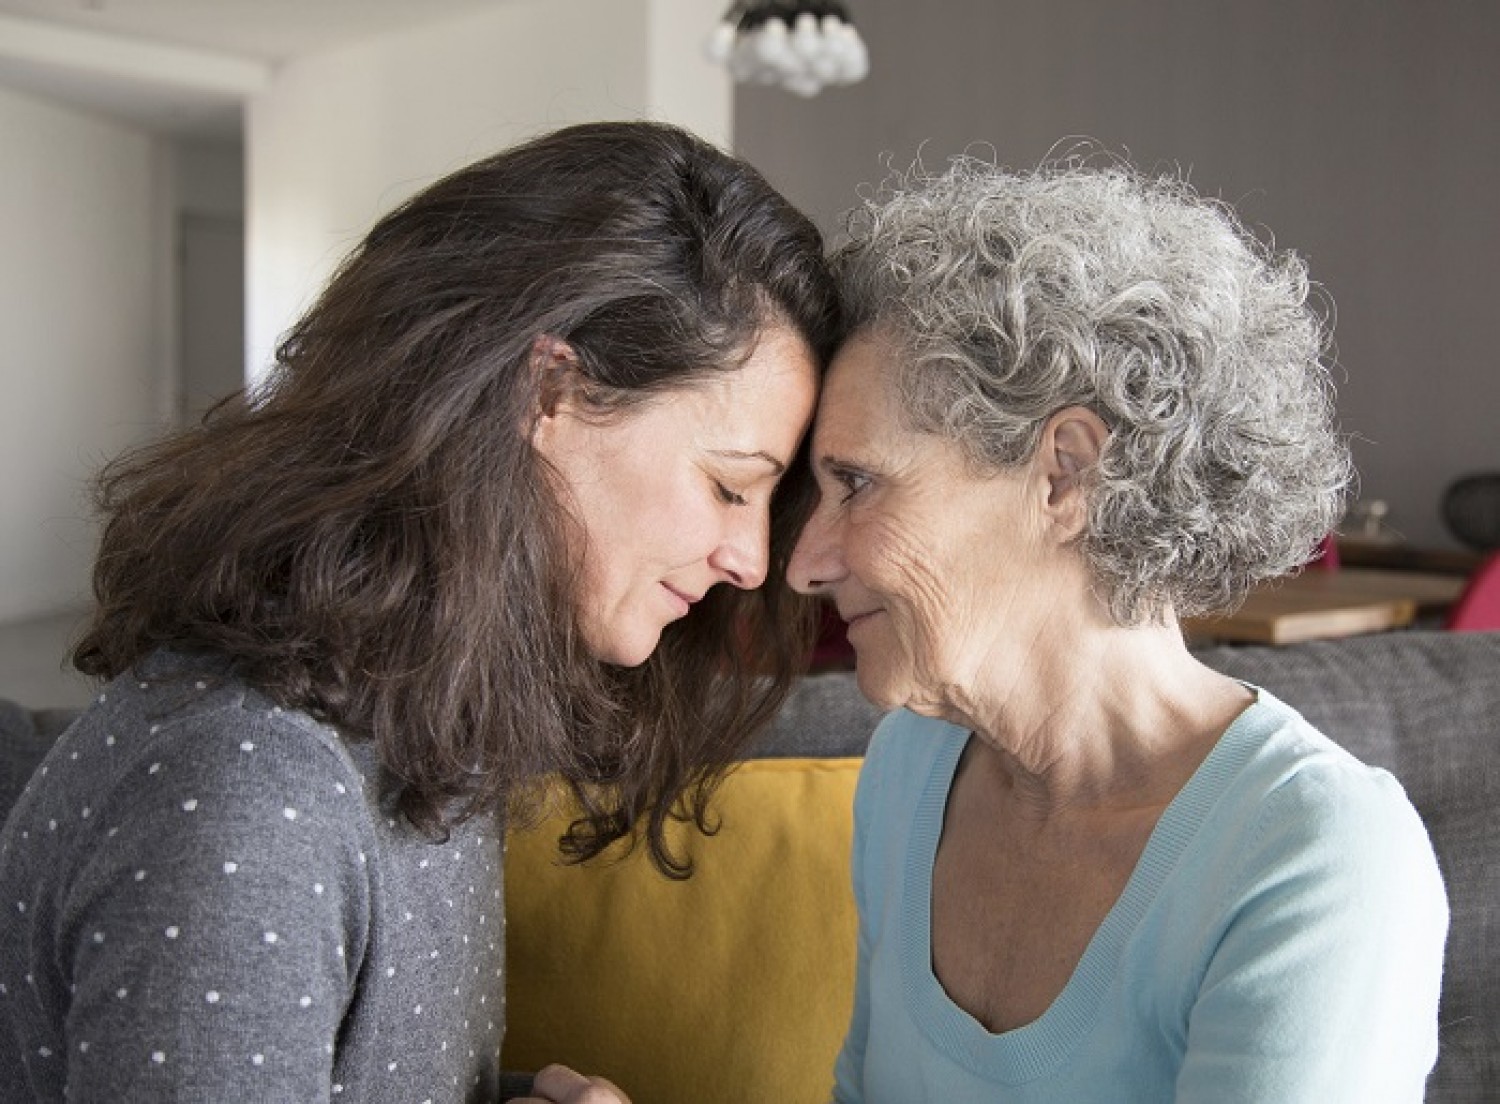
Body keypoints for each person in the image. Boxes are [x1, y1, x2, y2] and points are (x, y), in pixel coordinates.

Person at [0, 120, 839, 1104]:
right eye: (729, 485)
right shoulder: (254, 799)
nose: (748, 561)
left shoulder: (406, 710)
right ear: (552, 391)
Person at [789, 159, 1448, 1102]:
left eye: (857, 483)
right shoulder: (907, 770)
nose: (804, 562)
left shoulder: (1314, 854)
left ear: (1064, 474)